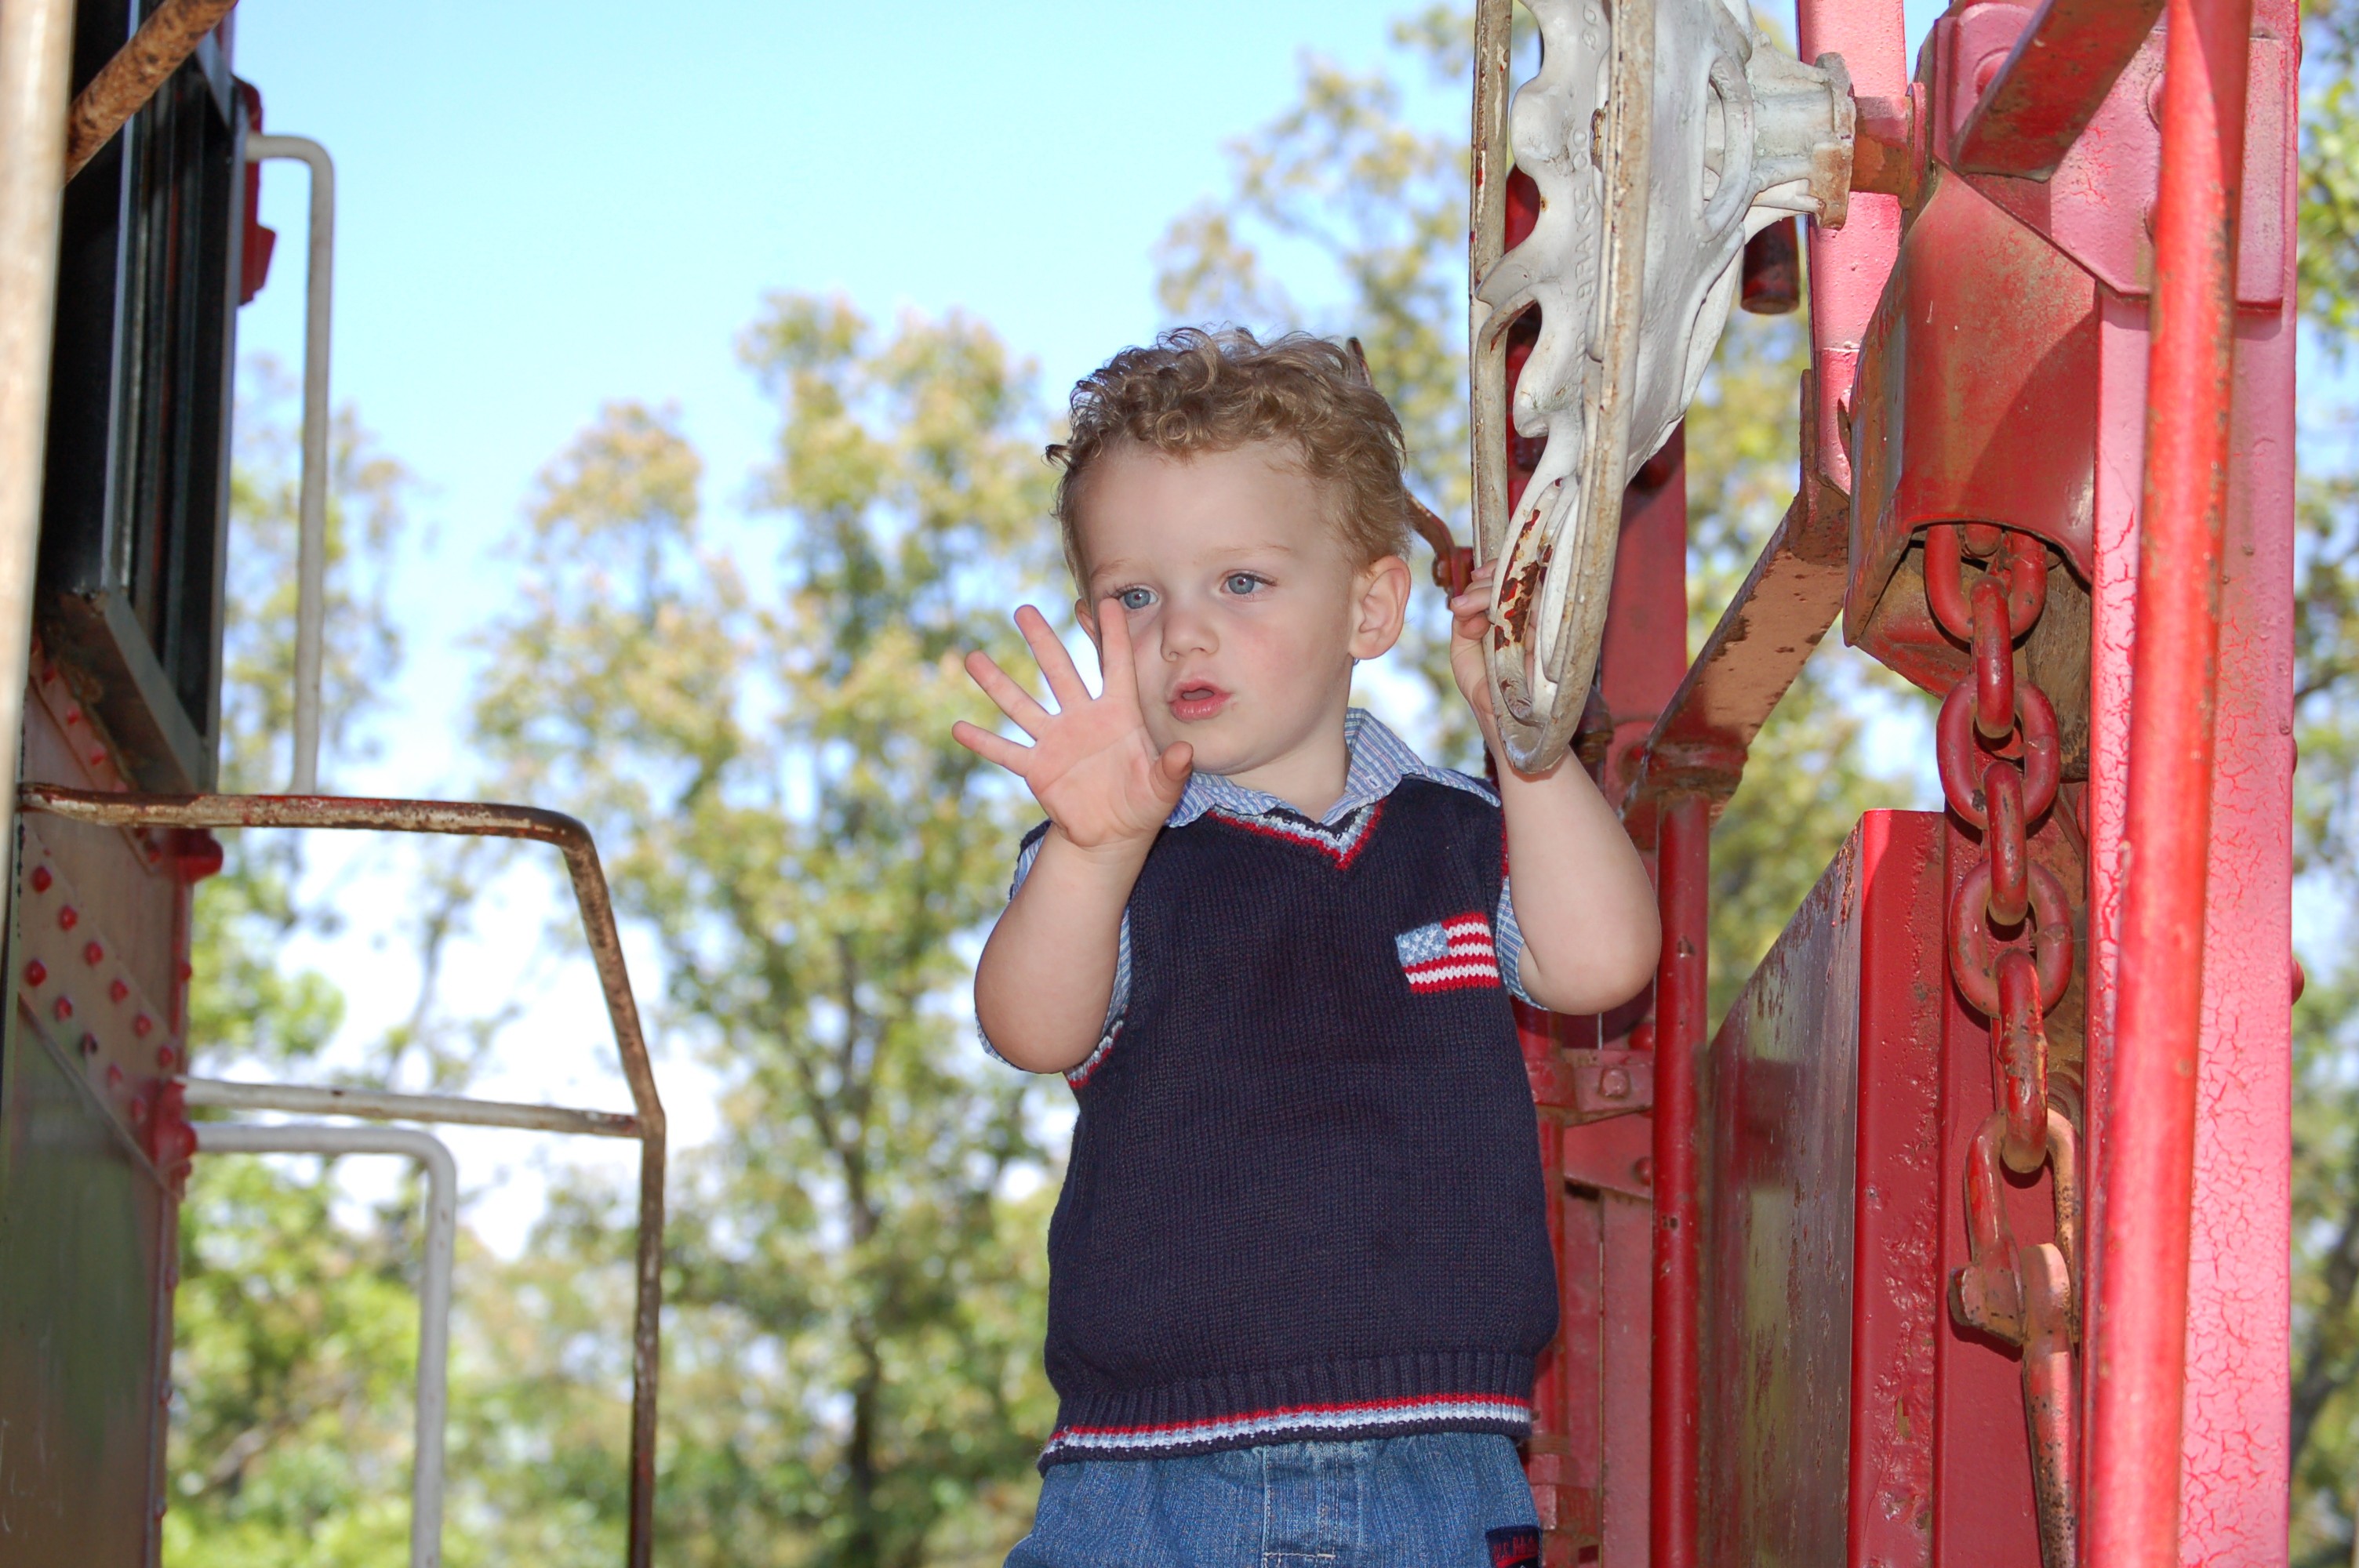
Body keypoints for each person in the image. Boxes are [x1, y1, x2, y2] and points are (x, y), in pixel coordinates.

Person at [954, 328, 1660, 1568]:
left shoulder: (1460, 835)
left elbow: (1601, 962)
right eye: (1135, 597)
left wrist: (1526, 744)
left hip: (1436, 1471)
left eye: (1241, 582)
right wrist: (1092, 848)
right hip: (1148, 1480)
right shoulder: (1111, 856)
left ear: (1370, 606)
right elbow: (1030, 1025)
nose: (1183, 633)